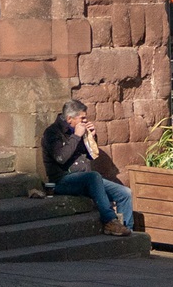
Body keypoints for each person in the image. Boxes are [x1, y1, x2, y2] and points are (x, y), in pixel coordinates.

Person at [42, 99, 133, 236]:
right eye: (82, 118)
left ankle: (127, 229)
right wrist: (76, 136)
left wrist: (91, 137)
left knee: (124, 193)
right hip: (62, 181)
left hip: (87, 179)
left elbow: (92, 156)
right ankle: (110, 221)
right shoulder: (52, 133)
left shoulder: (79, 131)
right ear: (69, 119)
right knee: (94, 176)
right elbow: (61, 158)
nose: (85, 121)